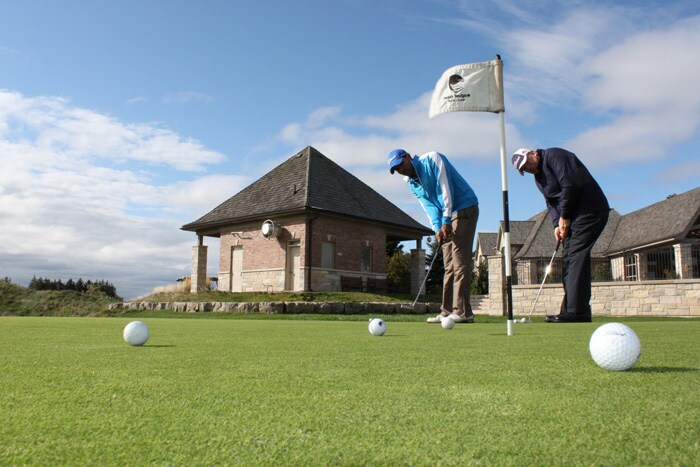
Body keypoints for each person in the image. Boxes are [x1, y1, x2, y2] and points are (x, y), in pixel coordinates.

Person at [512, 147, 609, 323]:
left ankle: (576, 311)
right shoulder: (539, 179)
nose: (528, 168)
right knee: (568, 257)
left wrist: (564, 215)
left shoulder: (554, 155)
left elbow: (570, 184)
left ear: (533, 153)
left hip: (590, 210)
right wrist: (557, 224)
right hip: (573, 216)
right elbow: (550, 202)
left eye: (527, 163)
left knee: (575, 256)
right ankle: (572, 310)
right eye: (524, 169)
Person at [387, 149, 479, 323]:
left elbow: (445, 190)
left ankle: (463, 312)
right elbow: (429, 206)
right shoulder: (412, 184)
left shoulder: (432, 159)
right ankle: (446, 313)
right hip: (446, 216)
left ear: (408, 157)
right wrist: (437, 228)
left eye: (401, 164)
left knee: (459, 261)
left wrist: (446, 221)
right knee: (448, 265)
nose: (400, 170)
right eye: (396, 169)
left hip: (464, 207)